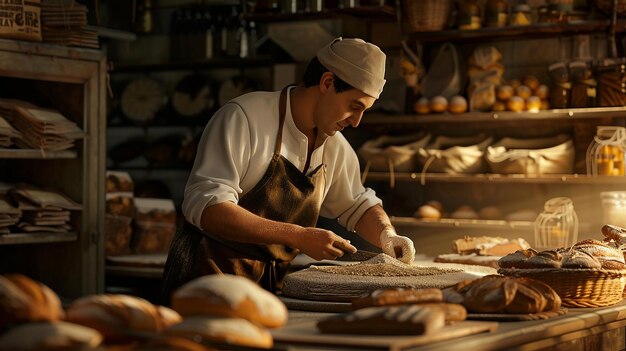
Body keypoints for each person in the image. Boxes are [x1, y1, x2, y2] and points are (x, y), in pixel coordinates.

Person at [161, 37, 416, 298]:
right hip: (207, 278)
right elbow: (208, 208)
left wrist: (387, 235)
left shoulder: (335, 147)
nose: (357, 122)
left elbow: (358, 206)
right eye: (354, 107)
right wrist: (298, 236)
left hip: (271, 287)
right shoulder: (244, 116)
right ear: (327, 82)